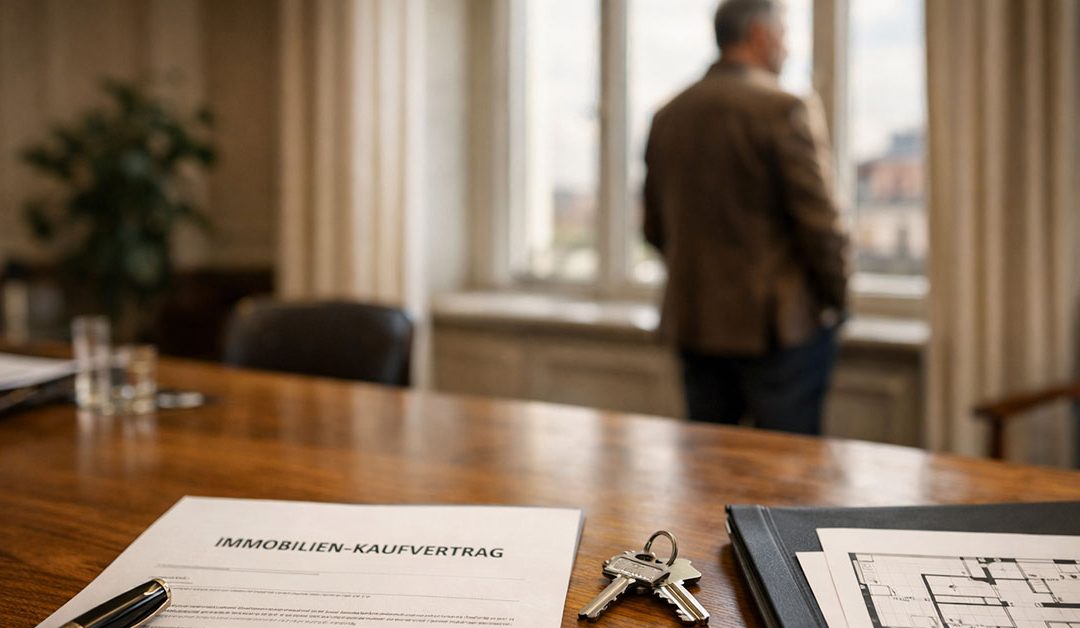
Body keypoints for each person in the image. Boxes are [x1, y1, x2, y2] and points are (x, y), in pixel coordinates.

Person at [642, 0, 848, 435]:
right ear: (759, 34)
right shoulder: (783, 108)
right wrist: (837, 299)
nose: (787, 48)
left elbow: (653, 228)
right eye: (784, 35)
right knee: (788, 468)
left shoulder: (668, 115)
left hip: (695, 321)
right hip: (776, 327)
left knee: (708, 463)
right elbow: (821, 227)